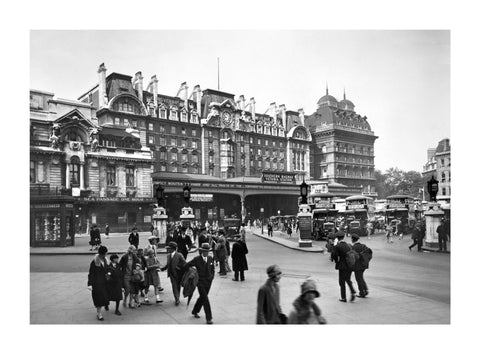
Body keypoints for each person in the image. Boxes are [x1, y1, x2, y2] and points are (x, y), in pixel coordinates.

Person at [184, 243, 215, 324]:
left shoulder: (210, 258)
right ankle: (209, 318)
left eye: (208, 251)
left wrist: (212, 277)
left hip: (208, 282)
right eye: (205, 251)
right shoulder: (196, 259)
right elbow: (186, 266)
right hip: (200, 282)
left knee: (202, 297)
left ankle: (195, 311)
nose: (207, 252)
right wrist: (192, 272)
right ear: (201, 251)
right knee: (205, 299)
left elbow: (212, 269)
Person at [330, 233, 356, 302]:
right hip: (349, 265)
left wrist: (335, 260)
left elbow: (335, 256)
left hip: (342, 266)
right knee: (348, 279)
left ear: (338, 238)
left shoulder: (338, 246)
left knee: (341, 282)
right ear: (343, 237)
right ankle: (352, 291)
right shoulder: (348, 245)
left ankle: (343, 297)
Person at [87, 245, 110, 321]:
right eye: (105, 253)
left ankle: (104, 305)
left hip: (105, 282)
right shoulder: (94, 262)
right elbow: (91, 273)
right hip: (97, 283)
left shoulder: (106, 260)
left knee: (104, 297)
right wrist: (90, 284)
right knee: (99, 299)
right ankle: (99, 313)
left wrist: (109, 275)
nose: (106, 254)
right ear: (102, 253)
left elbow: (107, 270)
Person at [161, 241, 186, 306]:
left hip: (179, 274)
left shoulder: (179, 255)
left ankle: (177, 296)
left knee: (178, 286)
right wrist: (162, 268)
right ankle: (177, 299)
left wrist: (178, 267)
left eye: (169, 248)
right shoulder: (168, 256)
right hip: (171, 274)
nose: (168, 249)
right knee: (174, 286)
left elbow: (184, 263)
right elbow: (168, 265)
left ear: (173, 248)